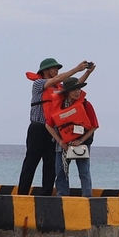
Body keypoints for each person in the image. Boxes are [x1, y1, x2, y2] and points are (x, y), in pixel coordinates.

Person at [22, 59, 90, 195]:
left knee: (50, 165)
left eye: (57, 68)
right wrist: (76, 68)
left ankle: (45, 194)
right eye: (54, 68)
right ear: (45, 71)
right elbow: (58, 79)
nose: (57, 70)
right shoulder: (38, 84)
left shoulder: (59, 88)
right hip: (37, 129)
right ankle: (22, 193)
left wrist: (88, 72)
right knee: (31, 162)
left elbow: (75, 87)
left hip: (52, 131)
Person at [52, 79, 99, 196]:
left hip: (82, 143)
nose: (77, 92)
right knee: (61, 172)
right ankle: (62, 197)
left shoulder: (86, 104)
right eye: (74, 89)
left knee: (84, 172)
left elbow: (94, 126)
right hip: (62, 144)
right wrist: (60, 141)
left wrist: (80, 140)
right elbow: (48, 124)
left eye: (79, 89)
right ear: (67, 92)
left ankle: (87, 196)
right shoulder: (59, 106)